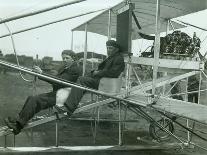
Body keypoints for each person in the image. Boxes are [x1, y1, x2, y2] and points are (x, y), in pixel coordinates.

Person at [4, 50, 82, 135]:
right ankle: (18, 120)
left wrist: (41, 73)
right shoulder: (65, 68)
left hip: (65, 96)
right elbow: (56, 77)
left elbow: (59, 80)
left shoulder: (75, 69)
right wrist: (41, 73)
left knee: (35, 100)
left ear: (73, 58)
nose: (64, 60)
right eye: (63, 58)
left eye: (67, 58)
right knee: (31, 98)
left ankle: (18, 126)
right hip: (59, 93)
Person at [57, 40, 125, 117]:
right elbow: (105, 70)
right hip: (104, 81)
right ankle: (71, 103)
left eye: (111, 48)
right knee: (83, 78)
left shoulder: (118, 58)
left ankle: (69, 108)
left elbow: (114, 73)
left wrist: (98, 73)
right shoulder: (112, 58)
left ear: (116, 49)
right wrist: (95, 72)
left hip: (108, 84)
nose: (108, 50)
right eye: (107, 48)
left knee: (81, 80)